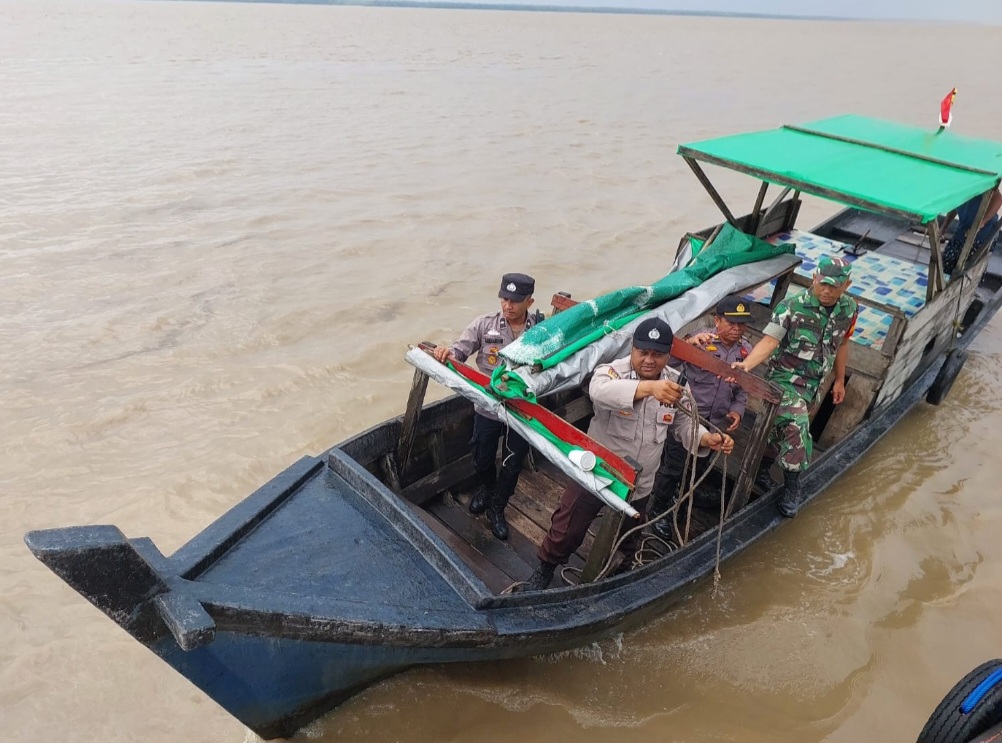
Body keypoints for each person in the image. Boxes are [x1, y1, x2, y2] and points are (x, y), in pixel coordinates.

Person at [521, 317, 734, 591]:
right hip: (597, 472)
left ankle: (617, 578)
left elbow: (684, 425)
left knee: (628, 538)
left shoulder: (676, 385)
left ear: (668, 355)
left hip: (640, 483)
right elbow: (599, 393)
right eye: (642, 352)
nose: (649, 360)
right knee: (567, 527)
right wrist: (649, 389)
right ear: (632, 349)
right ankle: (545, 570)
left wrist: (708, 438)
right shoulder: (611, 372)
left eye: (657, 355)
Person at [731, 255, 858, 518]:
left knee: (781, 432)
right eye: (822, 283)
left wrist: (838, 379)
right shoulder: (791, 307)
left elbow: (843, 344)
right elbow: (769, 342)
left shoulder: (849, 309)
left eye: (834, 286)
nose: (826, 290)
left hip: (814, 384)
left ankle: (764, 470)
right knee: (797, 427)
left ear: (847, 285)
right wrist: (747, 365)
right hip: (783, 380)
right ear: (814, 278)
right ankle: (792, 486)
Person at [433, 273, 542, 541]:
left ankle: (498, 506)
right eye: (504, 298)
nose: (508, 305)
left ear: (530, 301)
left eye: (516, 301)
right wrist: (447, 353)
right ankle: (487, 488)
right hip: (488, 407)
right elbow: (459, 351)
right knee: (481, 455)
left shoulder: (541, 332)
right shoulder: (484, 325)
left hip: (522, 410)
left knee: (513, 461)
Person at [645, 295, 753, 540]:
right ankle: (658, 512)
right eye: (731, 323)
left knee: (699, 465)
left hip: (716, 421)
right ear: (717, 320)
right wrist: (688, 345)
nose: (737, 329)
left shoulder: (746, 351)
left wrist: (737, 409)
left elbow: (743, 387)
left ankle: (680, 506)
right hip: (687, 416)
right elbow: (666, 363)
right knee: (673, 467)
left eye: (742, 324)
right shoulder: (701, 340)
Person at [942, 187, 1002, 275]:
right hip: (963, 229)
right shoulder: (960, 186)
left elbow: (998, 199)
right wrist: (944, 227)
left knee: (967, 272)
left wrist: (981, 223)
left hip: (981, 235)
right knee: (946, 264)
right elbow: (955, 205)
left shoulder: (983, 181)